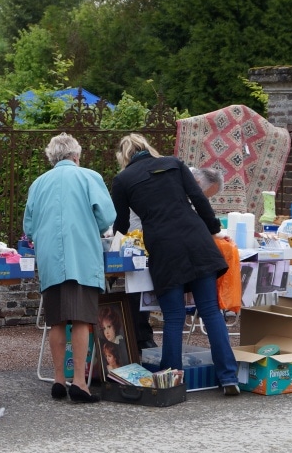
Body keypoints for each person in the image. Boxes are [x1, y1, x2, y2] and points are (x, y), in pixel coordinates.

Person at [110, 133, 240, 396]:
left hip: (164, 248)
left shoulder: (122, 179)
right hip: (196, 240)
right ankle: (229, 378)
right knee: (211, 312)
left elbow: (122, 224)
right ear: (148, 147)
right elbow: (200, 200)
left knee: (173, 317)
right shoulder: (174, 163)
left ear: (124, 156)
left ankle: (172, 382)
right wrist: (214, 230)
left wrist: (114, 244)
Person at [23, 133, 116, 403]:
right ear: (76, 155)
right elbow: (107, 217)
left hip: (51, 258)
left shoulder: (38, 183)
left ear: (52, 158)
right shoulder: (89, 177)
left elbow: (28, 227)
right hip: (82, 256)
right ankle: (79, 382)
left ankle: (58, 380)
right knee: (81, 320)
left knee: (56, 320)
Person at [129, 165, 226, 350]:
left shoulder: (174, 180)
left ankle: (172, 373)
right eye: (205, 196)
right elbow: (137, 224)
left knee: (177, 315)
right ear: (196, 184)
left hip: (174, 254)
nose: (205, 201)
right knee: (202, 312)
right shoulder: (165, 185)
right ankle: (141, 339)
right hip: (161, 250)